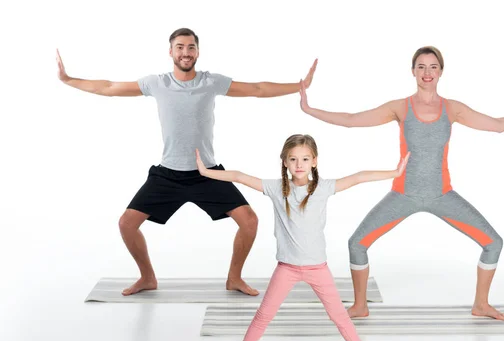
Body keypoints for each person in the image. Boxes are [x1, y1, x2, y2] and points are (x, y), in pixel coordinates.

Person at [56, 28, 318, 296]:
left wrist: (300, 86)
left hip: (208, 174)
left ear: (198, 52)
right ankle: (147, 277)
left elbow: (257, 89)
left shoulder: (210, 82)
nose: (185, 52)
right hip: (168, 175)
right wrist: (68, 79)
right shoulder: (157, 83)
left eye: (191, 47)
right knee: (126, 223)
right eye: (180, 47)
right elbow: (109, 87)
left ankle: (234, 278)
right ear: (170, 52)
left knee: (249, 221)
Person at [299, 46, 504, 322]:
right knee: (357, 243)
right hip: (403, 194)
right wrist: (310, 110)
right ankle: (359, 306)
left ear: (441, 71)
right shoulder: (400, 107)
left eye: (432, 67)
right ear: (413, 71)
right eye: (421, 67)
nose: (427, 72)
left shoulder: (451, 109)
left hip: (442, 195)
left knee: (493, 242)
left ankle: (481, 304)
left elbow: (498, 125)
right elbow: (351, 121)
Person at [195, 134, 410, 341]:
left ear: (314, 162)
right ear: (285, 162)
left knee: (339, 317)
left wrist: (394, 173)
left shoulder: (323, 188)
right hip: (286, 268)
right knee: (263, 315)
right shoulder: (275, 188)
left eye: (305, 159)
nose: (299, 164)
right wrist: (205, 172)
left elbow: (359, 177)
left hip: (318, 268)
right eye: (293, 159)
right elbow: (238, 177)